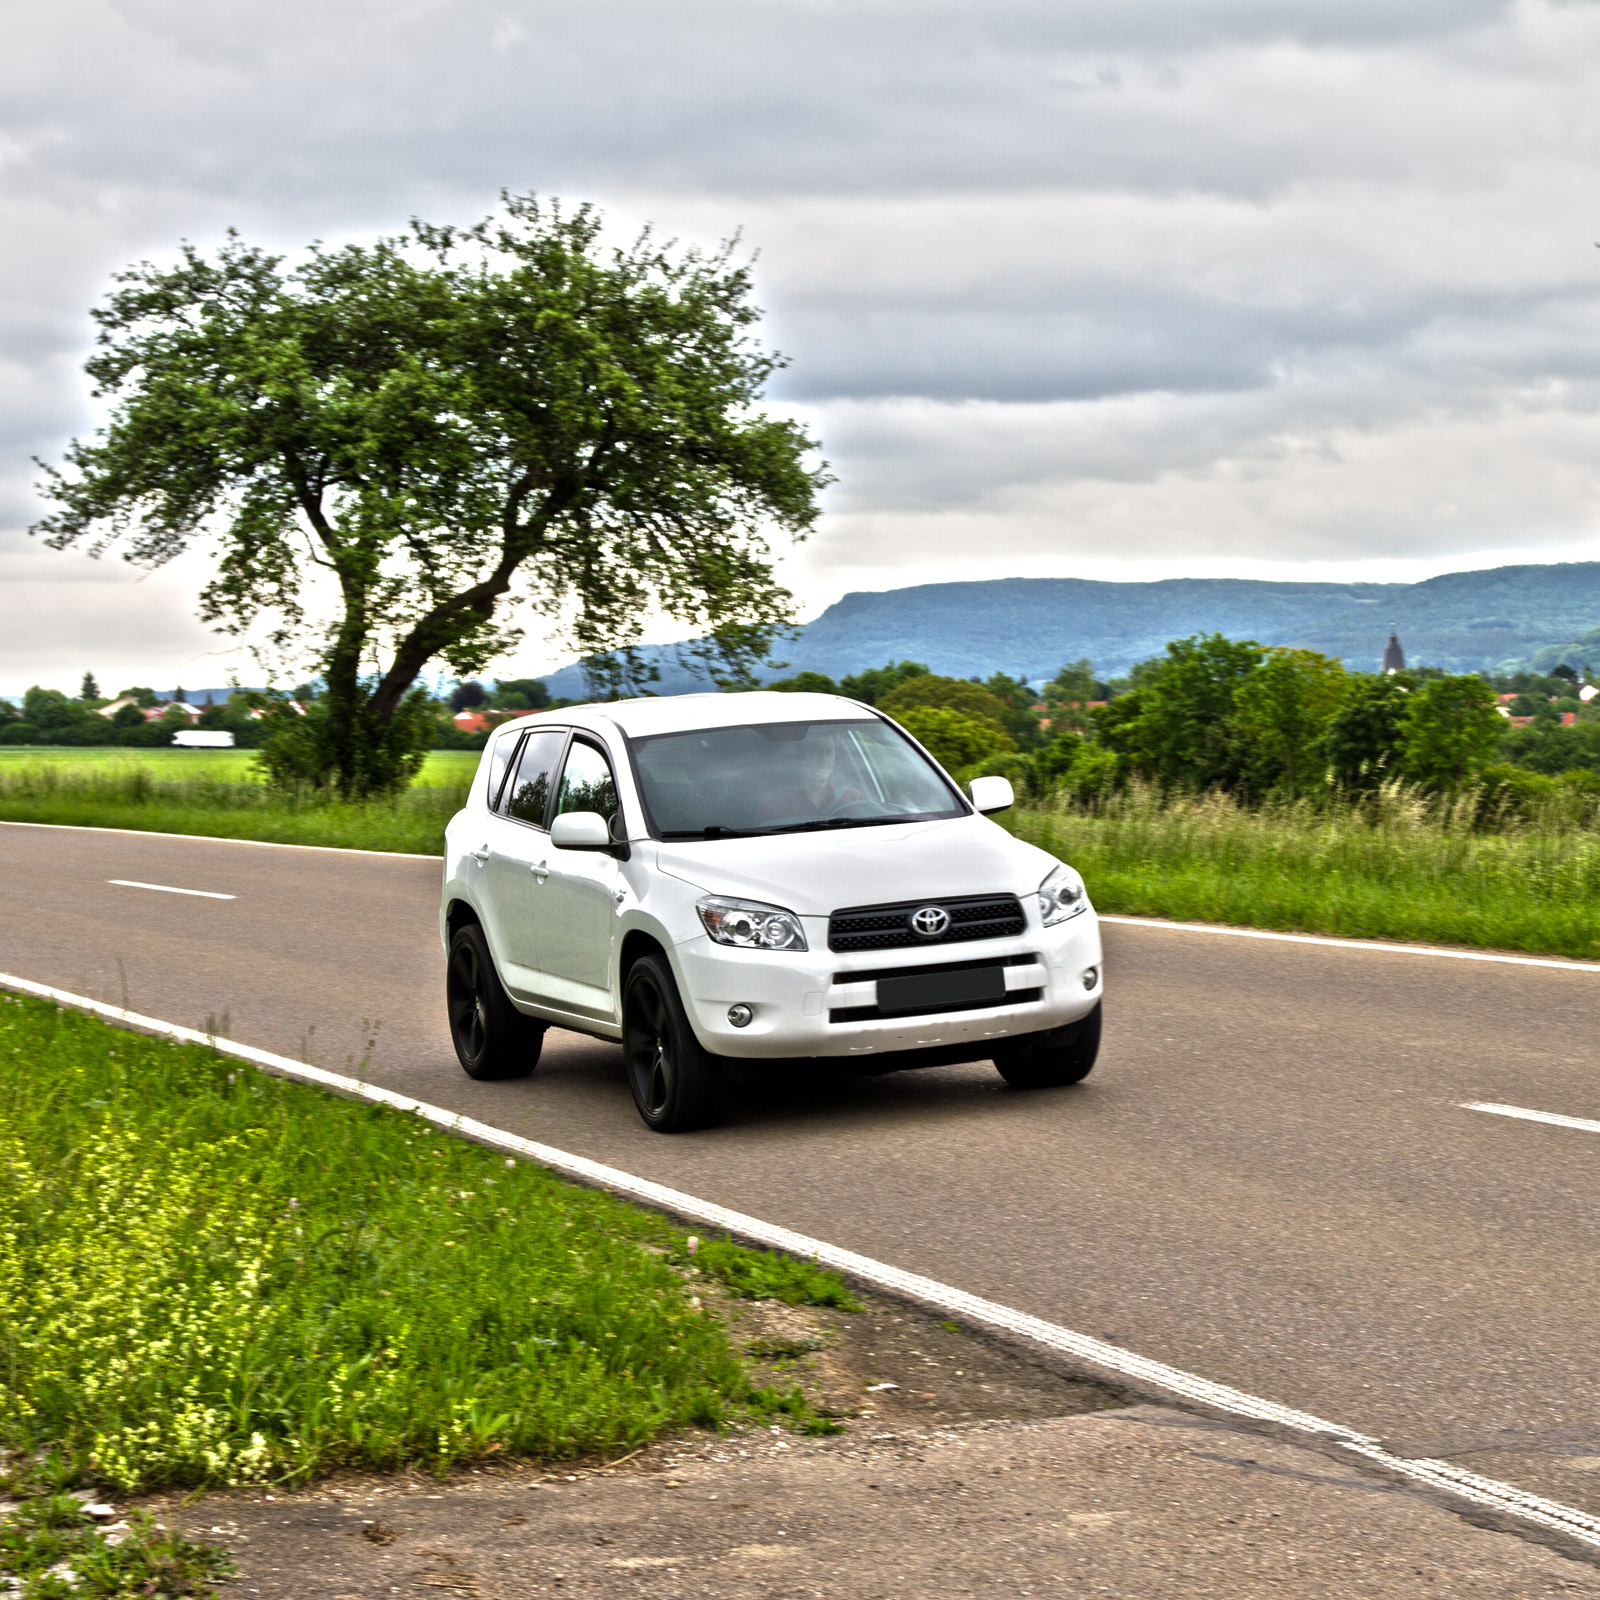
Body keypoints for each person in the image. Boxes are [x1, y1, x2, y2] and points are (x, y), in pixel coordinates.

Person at [754, 730, 864, 824]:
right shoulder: (774, 804)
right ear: (801, 756)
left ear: (835, 758)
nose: (824, 759)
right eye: (816, 751)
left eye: (829, 752)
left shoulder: (852, 797)